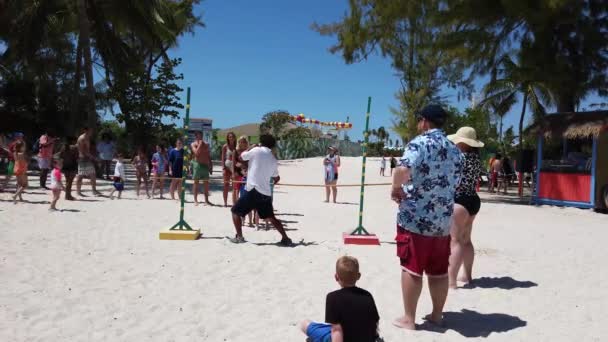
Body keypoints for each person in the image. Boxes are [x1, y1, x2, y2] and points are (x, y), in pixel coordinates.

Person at [391, 104, 463, 330]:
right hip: (442, 221)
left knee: (412, 268)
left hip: (416, 218)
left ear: (424, 121)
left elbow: (401, 171)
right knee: (439, 271)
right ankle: (436, 315)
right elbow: (456, 183)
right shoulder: (455, 149)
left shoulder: (419, 143)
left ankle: (409, 319)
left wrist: (396, 188)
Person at [230, 134, 292, 245]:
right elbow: (276, 178)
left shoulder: (256, 151)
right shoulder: (273, 158)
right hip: (265, 192)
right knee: (271, 217)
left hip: (254, 189)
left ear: (261, 142)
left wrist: (251, 147)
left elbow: (241, 157)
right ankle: (285, 238)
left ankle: (239, 237)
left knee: (235, 211)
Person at [299, 256, 380, 342]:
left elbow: (336, 330)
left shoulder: (332, 297)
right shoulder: (367, 295)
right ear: (358, 276)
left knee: (305, 324)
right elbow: (375, 323)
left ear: (336, 277)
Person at [447, 127, 485, 289]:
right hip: (473, 199)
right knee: (466, 240)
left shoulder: (457, 158)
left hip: (459, 200)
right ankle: (467, 276)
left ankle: (451, 281)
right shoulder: (477, 159)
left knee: (454, 241)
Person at [76, 127, 101, 197]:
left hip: (87, 158)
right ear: (86, 130)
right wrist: (93, 157)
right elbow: (83, 151)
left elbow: (88, 149)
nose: (91, 132)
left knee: (92, 174)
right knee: (80, 175)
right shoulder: (82, 138)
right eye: (90, 130)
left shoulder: (87, 138)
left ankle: (94, 190)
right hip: (82, 158)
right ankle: (78, 191)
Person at [191, 131, 213, 206]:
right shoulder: (193, 144)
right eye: (198, 136)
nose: (199, 137)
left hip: (205, 165)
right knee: (196, 183)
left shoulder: (206, 144)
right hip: (197, 165)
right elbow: (196, 153)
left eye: (200, 136)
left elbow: (208, 155)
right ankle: (195, 200)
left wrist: (211, 165)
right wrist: (200, 144)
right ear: (195, 136)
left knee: (206, 184)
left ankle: (206, 200)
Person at [232, 135, 249, 206]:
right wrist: (233, 173)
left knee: (245, 190)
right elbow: (234, 162)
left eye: (244, 142)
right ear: (239, 142)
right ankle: (235, 204)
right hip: (237, 172)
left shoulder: (248, 151)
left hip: (246, 172)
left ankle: (243, 204)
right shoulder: (235, 151)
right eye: (241, 142)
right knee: (236, 189)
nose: (242, 143)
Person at [221, 132, 237, 207]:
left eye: (232, 137)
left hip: (235, 167)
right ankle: (225, 202)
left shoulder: (236, 146)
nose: (231, 138)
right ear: (227, 138)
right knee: (226, 185)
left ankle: (234, 202)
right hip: (227, 167)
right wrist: (223, 168)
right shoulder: (225, 146)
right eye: (229, 137)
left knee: (235, 186)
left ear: (234, 138)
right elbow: (223, 158)